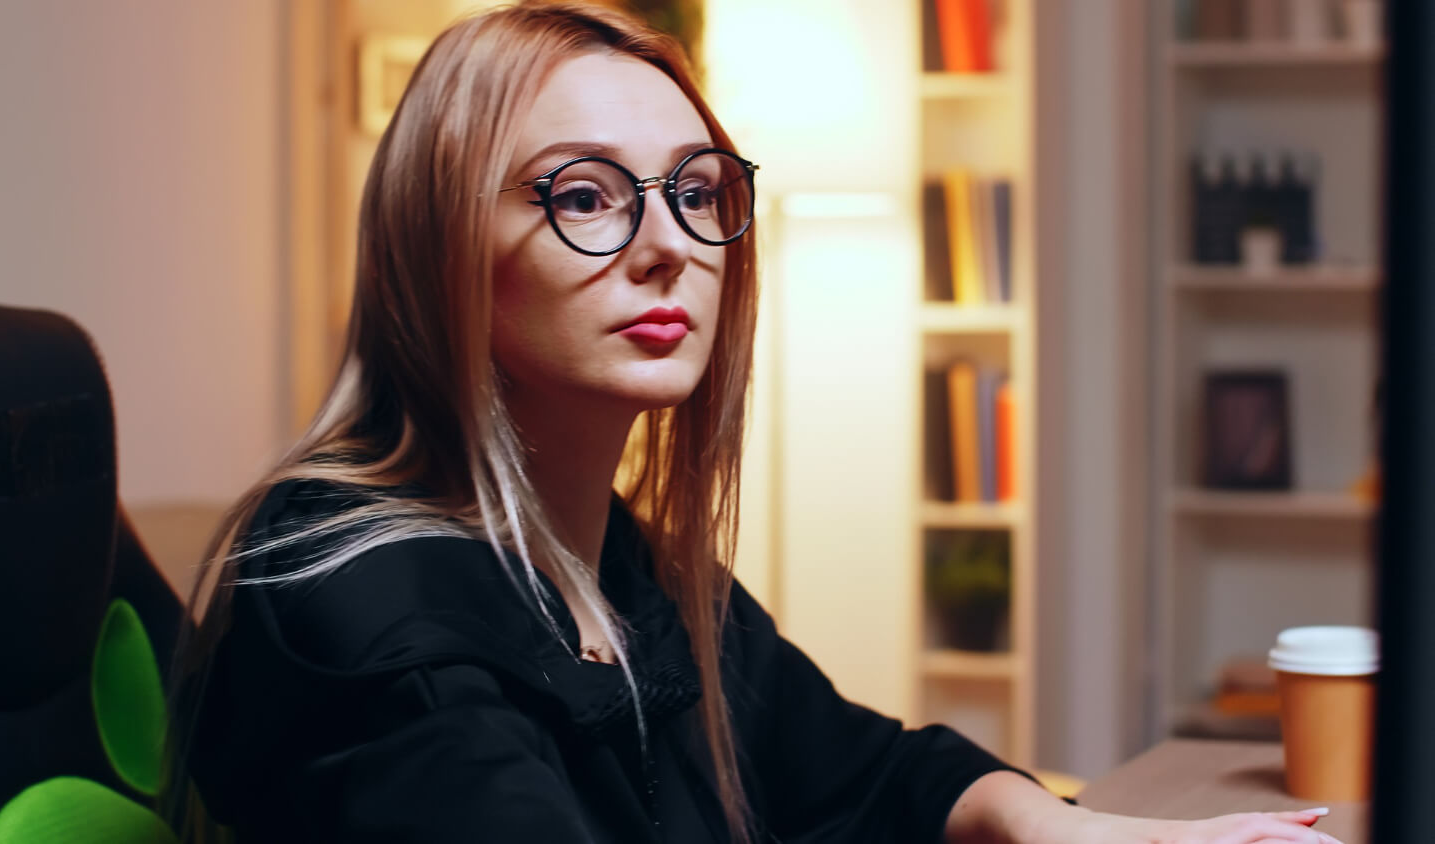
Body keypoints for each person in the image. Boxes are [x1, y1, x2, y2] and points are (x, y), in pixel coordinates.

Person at [170, 3, 1345, 842]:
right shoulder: (354, 587)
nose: (669, 244)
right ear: (440, 254)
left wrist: (1087, 833)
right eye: (584, 194)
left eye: (695, 191)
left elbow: (869, 772)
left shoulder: (620, 563)